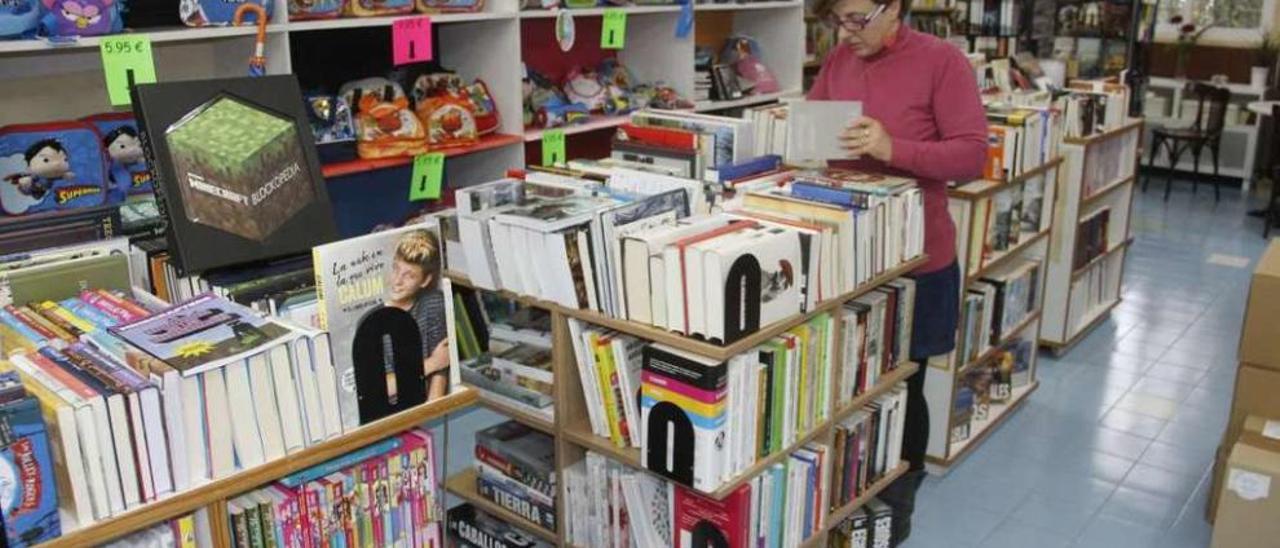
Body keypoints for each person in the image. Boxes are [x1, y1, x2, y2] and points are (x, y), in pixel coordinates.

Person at [808, 0, 988, 543]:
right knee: (845, 388)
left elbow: (971, 156)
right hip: (850, 260)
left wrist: (892, 147)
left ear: (897, 8)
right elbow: (815, 132)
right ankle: (843, 495)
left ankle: (893, 518)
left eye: (858, 19)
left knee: (904, 390)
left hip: (918, 264)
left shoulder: (943, 62)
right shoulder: (838, 60)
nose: (846, 32)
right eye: (838, 19)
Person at [385, 228, 452, 402]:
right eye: (396, 269)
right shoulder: (375, 318)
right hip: (388, 412)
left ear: (425, 280)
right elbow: (382, 387)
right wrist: (432, 363)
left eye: (409, 276)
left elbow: (443, 363)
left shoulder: (433, 303)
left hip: (424, 407)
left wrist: (433, 406)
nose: (397, 281)